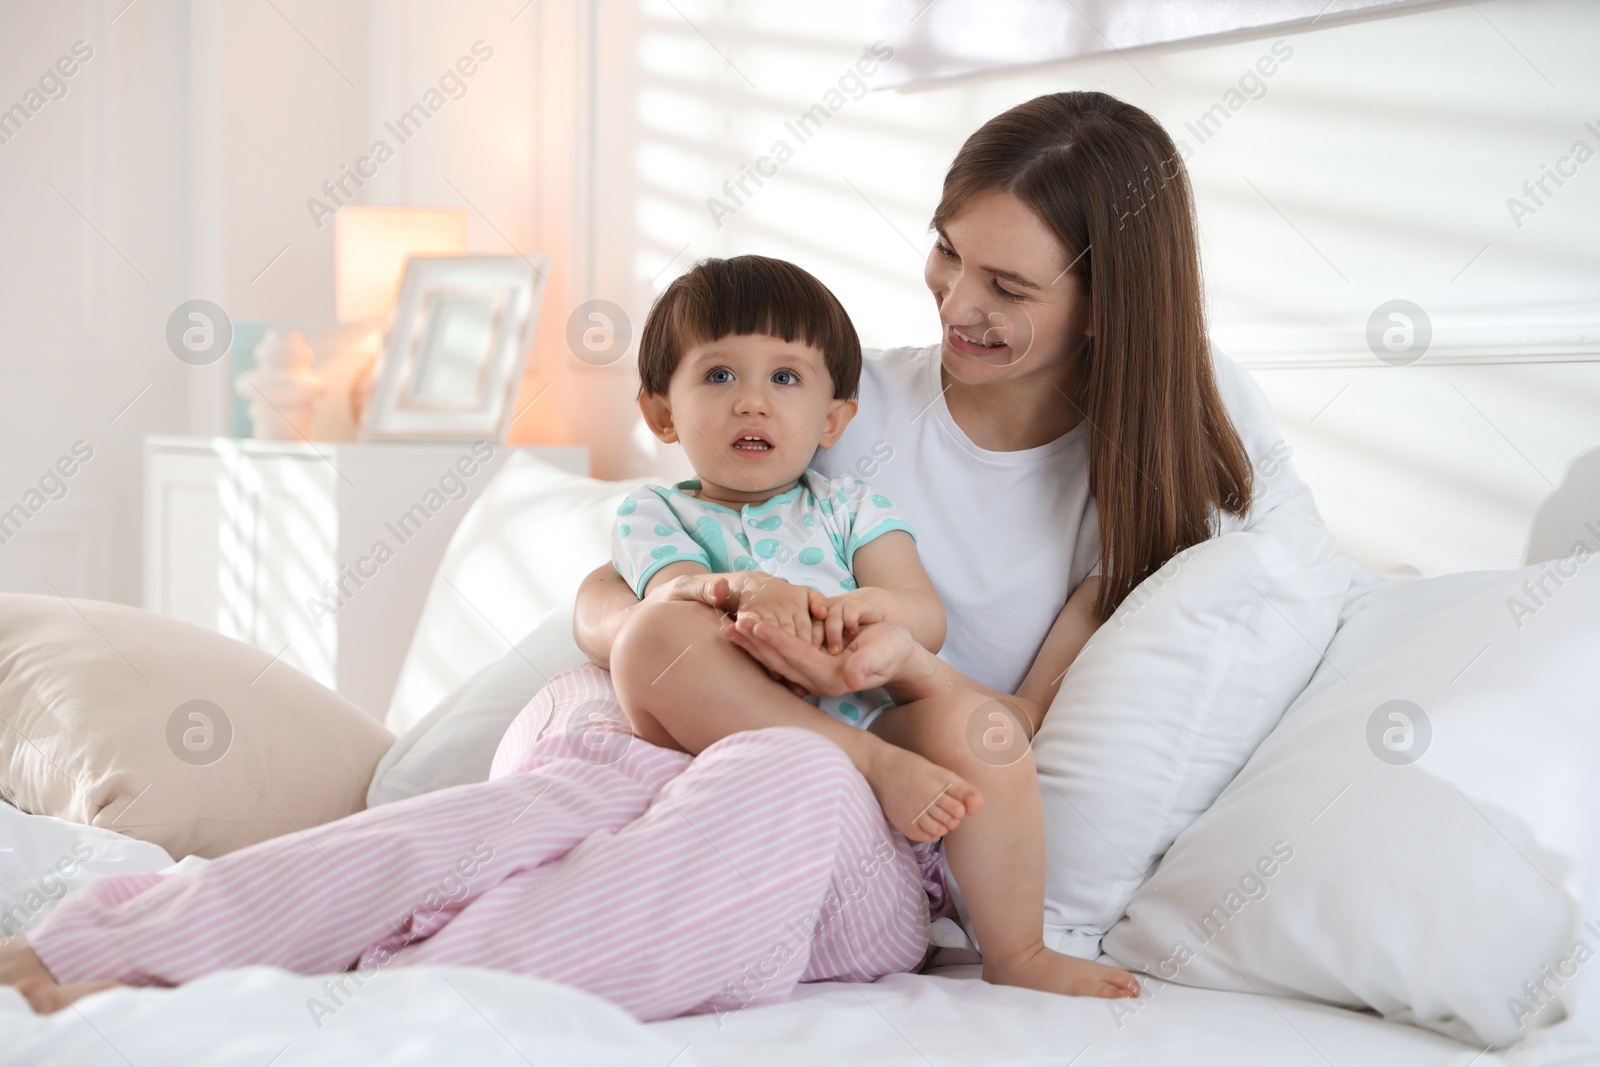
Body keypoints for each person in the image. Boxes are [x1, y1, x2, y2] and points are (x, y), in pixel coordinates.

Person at [2, 90, 1316, 1018]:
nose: (956, 303)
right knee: (547, 780)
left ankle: (354, 1005)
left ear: (1108, 305)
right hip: (656, 711)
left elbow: (1003, 728)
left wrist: (892, 657)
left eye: (1010, 290)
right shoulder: (848, 395)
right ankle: (99, 945)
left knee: (791, 780)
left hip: (837, 791)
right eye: (946, 252)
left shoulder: (1132, 494)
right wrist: (673, 616)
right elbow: (621, 582)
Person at [601, 253, 1140, 998]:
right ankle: (864, 763)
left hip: (872, 724)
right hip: (730, 743)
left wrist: (868, 611)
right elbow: (669, 592)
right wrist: (752, 589)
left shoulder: (849, 506)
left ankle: (1017, 948)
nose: (752, 402)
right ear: (661, 411)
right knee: (651, 639)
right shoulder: (656, 513)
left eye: (784, 378)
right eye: (720, 375)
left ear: (833, 418)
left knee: (983, 727)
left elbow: (924, 614)